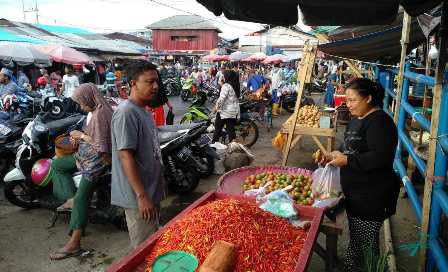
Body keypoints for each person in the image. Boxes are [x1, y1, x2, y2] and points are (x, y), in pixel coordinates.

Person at [320, 78, 399, 271]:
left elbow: (380, 157)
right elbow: (348, 146)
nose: (348, 104)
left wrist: (347, 161)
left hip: (372, 197)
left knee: (365, 244)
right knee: (358, 239)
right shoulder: (357, 119)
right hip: (356, 194)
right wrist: (334, 155)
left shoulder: (381, 123)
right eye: (346, 99)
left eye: (353, 100)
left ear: (369, 98)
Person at [49, 83, 113, 260]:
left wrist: (82, 136)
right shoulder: (94, 110)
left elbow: (102, 145)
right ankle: (71, 199)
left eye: (81, 102)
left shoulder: (101, 114)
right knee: (57, 165)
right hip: (84, 155)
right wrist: (78, 139)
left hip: (97, 161)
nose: (80, 106)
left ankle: (74, 243)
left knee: (81, 198)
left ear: (89, 99)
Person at [111, 61, 165, 249]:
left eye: (156, 81)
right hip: (139, 197)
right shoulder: (126, 113)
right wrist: (142, 196)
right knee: (145, 249)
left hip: (149, 191)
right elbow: (125, 156)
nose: (155, 86)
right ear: (133, 83)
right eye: (149, 82)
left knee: (154, 240)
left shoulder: (142, 110)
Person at [212, 70, 240, 143]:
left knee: (217, 129)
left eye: (224, 76)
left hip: (224, 111)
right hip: (233, 111)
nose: (223, 77)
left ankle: (213, 145)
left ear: (228, 77)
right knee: (230, 129)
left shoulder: (226, 86)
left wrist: (215, 108)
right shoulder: (235, 85)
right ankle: (233, 145)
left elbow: (221, 99)